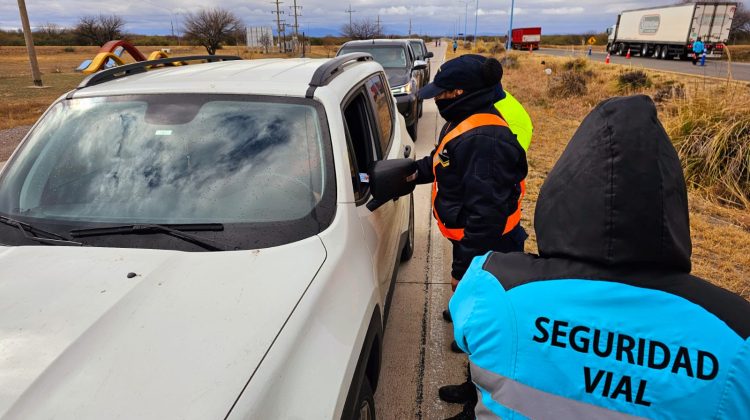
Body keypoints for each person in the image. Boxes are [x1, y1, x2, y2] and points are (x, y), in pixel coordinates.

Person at [450, 95, 750, 419]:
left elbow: (470, 340)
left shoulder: (493, 282)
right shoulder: (737, 334)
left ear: (562, 188)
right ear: (670, 203)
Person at [414, 54, 529, 419]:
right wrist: (403, 175)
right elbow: (441, 162)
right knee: (479, 327)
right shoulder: (464, 123)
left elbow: (487, 218)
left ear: (462, 93)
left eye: (442, 93)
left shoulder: (486, 140)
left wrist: (465, 270)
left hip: (489, 249)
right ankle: (474, 384)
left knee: (486, 328)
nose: (437, 99)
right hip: (475, 245)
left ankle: (477, 408)